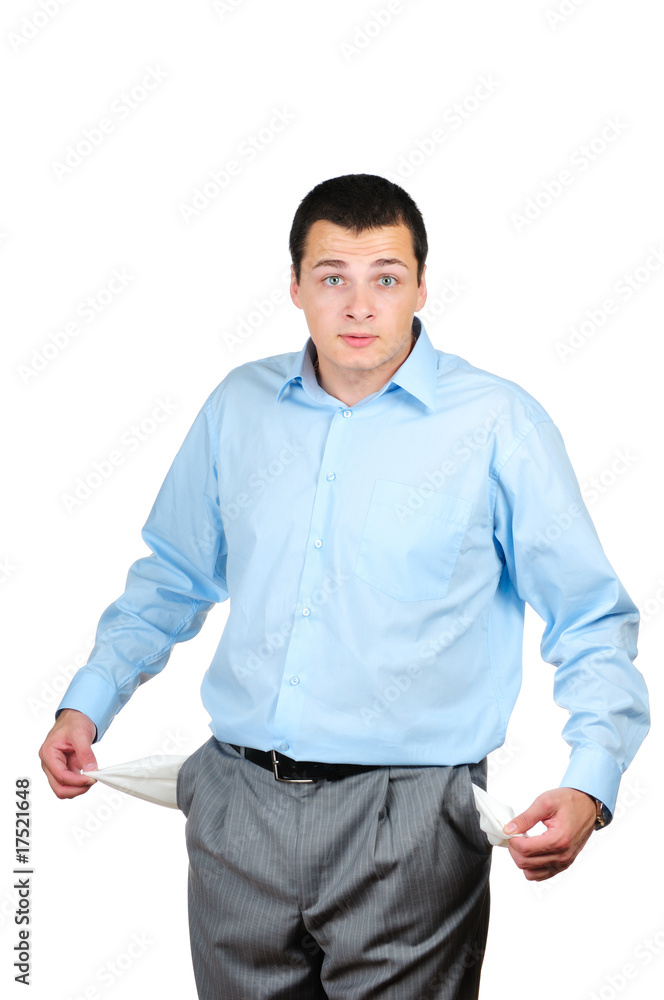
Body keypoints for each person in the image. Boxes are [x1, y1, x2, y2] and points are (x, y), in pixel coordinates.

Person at [39, 173, 650, 1000]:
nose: (359, 306)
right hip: (234, 808)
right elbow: (173, 576)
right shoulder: (238, 406)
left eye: (386, 278)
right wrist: (86, 704)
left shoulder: (498, 424)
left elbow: (588, 617)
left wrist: (590, 781)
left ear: (422, 287)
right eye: (333, 277)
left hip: (412, 825)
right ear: (295, 287)